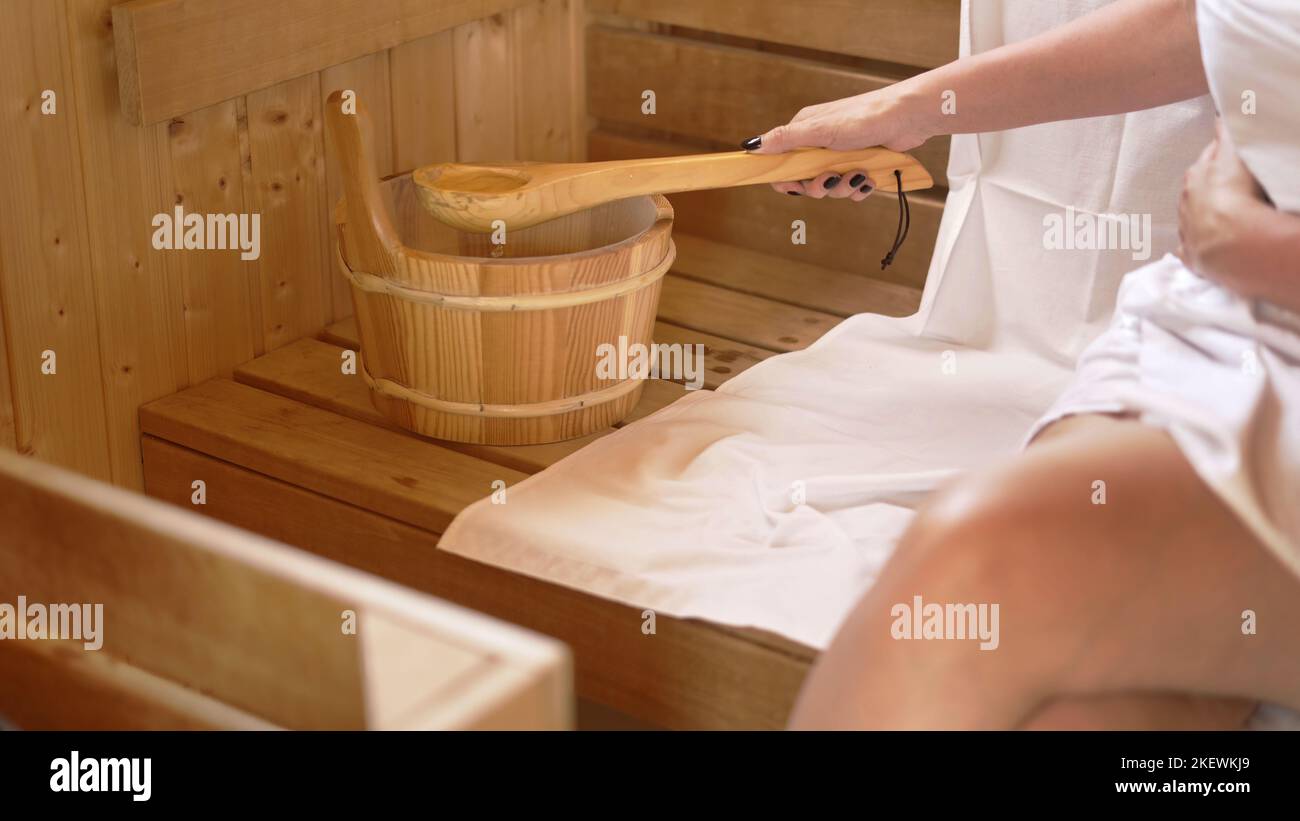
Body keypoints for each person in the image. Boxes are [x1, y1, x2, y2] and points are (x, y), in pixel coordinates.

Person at [741, 0, 1300, 728]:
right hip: (1208, 324)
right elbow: (1215, 22)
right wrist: (906, 109)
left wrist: (1257, 250)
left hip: (1265, 310)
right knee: (1089, 712)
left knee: (973, 564)